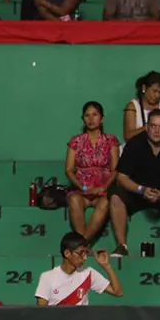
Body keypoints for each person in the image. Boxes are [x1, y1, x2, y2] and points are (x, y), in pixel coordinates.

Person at [108, 109, 160, 258]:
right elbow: (121, 177)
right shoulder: (134, 143)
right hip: (138, 193)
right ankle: (121, 246)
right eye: (153, 126)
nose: (157, 131)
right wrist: (141, 190)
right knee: (115, 195)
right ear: (147, 127)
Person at [66, 101, 119, 240]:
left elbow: (115, 170)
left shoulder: (111, 140)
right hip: (81, 189)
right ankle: (83, 246)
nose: (91, 119)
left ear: (102, 118)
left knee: (106, 202)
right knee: (73, 199)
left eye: (94, 115)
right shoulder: (75, 141)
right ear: (83, 119)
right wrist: (84, 188)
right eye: (87, 115)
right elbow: (69, 170)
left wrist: (103, 188)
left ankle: (82, 244)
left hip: (103, 190)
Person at [36, 232, 123, 305]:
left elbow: (118, 292)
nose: (85, 258)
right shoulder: (47, 277)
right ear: (67, 253)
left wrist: (107, 266)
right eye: (81, 253)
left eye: (86, 253)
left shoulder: (88, 273)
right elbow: (41, 313)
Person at [124, 71, 160, 141]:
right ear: (144, 88)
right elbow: (128, 136)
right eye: (154, 91)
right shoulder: (133, 106)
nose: (157, 95)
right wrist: (147, 128)